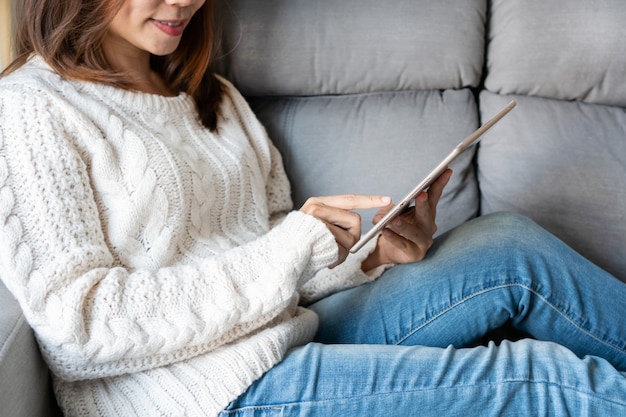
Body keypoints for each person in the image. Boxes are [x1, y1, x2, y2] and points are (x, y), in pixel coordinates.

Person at [0, 0, 625, 416]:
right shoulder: (30, 108)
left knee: (508, 246)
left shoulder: (208, 94)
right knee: (540, 381)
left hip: (279, 332)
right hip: (192, 395)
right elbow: (76, 327)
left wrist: (367, 254)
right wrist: (297, 242)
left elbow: (277, 258)